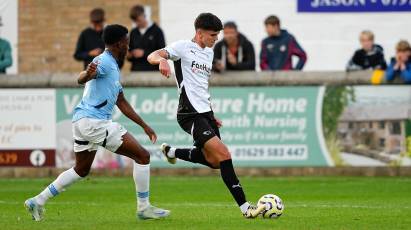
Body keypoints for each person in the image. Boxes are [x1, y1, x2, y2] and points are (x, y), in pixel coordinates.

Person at [24, 24, 169, 221]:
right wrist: (87, 73)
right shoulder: (103, 61)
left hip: (81, 122)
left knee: (81, 170)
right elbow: (81, 78)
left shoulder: (113, 65)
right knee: (143, 157)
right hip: (94, 122)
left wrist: (145, 126)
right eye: (127, 40)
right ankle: (144, 208)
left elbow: (121, 101)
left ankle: (37, 200)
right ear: (119, 43)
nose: (129, 44)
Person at [147, 13, 264, 218]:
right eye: (213, 35)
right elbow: (152, 55)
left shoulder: (209, 53)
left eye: (217, 35)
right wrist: (161, 62)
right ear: (199, 33)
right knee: (225, 155)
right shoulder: (182, 47)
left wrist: (212, 113)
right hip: (189, 114)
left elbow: (201, 86)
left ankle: (172, 152)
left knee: (214, 161)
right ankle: (246, 209)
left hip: (205, 113)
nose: (216, 39)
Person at [127, 5, 165, 71]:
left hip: (152, 72)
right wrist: (130, 55)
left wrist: (144, 53)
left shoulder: (157, 31)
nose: (137, 23)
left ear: (143, 15)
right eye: (135, 21)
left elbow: (163, 53)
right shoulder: (133, 32)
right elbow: (129, 53)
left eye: (138, 20)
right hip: (136, 71)